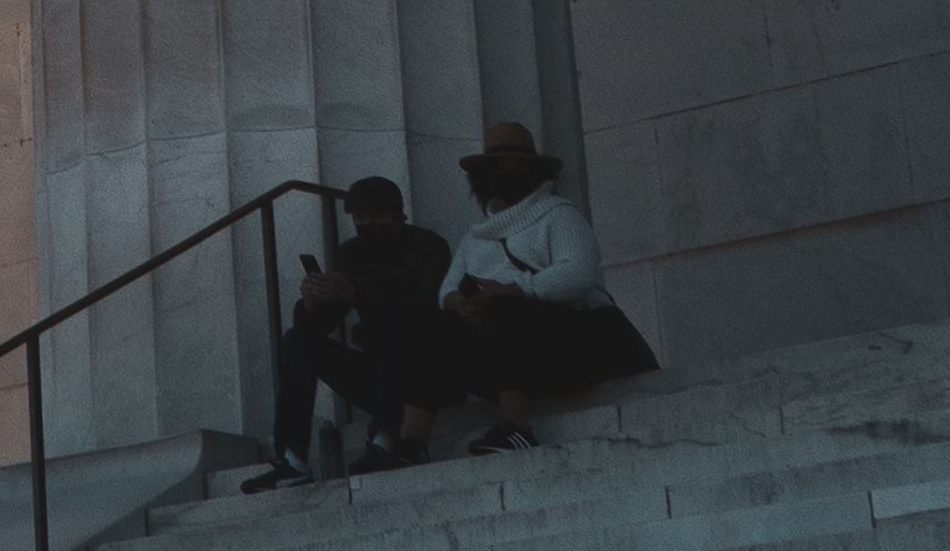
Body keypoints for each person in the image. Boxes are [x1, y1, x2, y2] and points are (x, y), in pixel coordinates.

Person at [382, 121, 659, 461]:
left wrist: (515, 290)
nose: (508, 175)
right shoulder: (477, 237)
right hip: (503, 350)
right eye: (499, 170)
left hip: (574, 344)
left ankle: (517, 428)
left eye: (517, 169)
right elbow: (446, 293)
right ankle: (413, 443)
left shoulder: (558, 216)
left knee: (504, 309)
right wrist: (462, 304)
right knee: (426, 324)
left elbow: (578, 275)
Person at [249, 177, 451, 486]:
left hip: (421, 373)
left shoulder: (428, 248)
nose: (367, 224)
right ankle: (293, 459)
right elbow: (318, 327)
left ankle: (385, 441)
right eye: (360, 217)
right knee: (297, 340)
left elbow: (425, 310)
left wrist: (355, 294)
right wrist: (312, 304)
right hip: (377, 375)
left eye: (377, 215)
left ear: (398, 216)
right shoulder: (354, 254)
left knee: (394, 324)